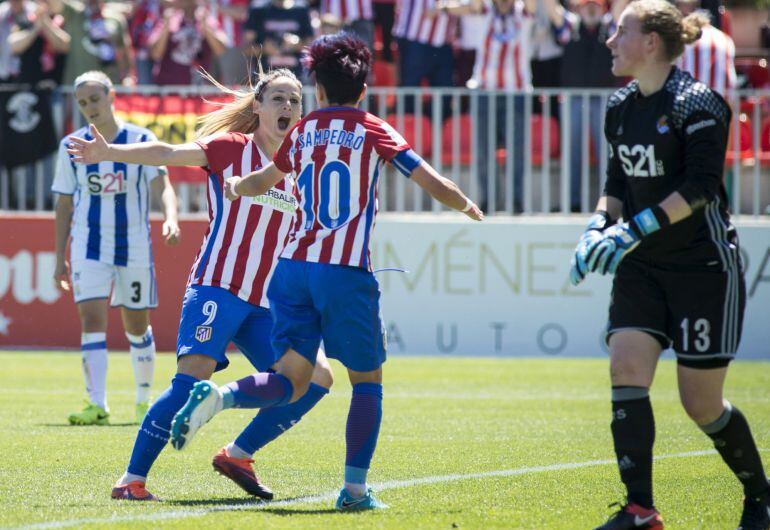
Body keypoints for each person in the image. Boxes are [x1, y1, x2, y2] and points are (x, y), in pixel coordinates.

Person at [166, 33, 483, 511]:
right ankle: (354, 492)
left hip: (292, 271)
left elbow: (263, 180)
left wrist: (235, 189)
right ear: (363, 89)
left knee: (294, 376)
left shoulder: (304, 129)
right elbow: (426, 178)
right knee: (367, 382)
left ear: (316, 89)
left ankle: (221, 398)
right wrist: (465, 204)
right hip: (345, 272)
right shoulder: (373, 128)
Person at [66, 67, 334, 502]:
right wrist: (109, 151)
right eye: (278, 99)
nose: (288, 107)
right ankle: (131, 480)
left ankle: (238, 454)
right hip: (218, 287)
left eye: (295, 100)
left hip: (265, 303)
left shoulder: (303, 167)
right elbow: (168, 152)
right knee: (191, 381)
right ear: (258, 107)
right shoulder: (230, 149)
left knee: (316, 377)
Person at [568, 1, 770, 528]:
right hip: (642, 268)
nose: (609, 41)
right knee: (624, 368)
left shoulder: (698, 104)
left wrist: (634, 228)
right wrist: (597, 225)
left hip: (702, 267)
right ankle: (640, 510)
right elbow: (616, 183)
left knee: (701, 405)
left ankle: (760, 495)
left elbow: (701, 188)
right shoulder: (620, 106)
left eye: (620, 32)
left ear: (651, 42)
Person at [53, 70, 180, 427]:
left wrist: (171, 217)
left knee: (137, 326)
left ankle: (143, 402)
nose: (89, 107)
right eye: (82, 103)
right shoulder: (71, 146)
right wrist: (58, 256)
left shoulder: (140, 139)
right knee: (91, 319)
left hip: (134, 245)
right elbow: (63, 204)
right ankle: (97, 404)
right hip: (88, 246)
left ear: (111, 97)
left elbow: (163, 185)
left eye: (94, 99)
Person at [48, 0, 135, 85]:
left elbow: (124, 50)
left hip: (108, 85)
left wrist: (128, 76)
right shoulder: (75, 13)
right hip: (78, 86)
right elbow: (56, 4)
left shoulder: (116, 18)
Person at [147, 0, 229, 86]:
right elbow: (155, 54)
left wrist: (205, 27)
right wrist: (166, 26)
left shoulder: (207, 20)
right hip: (169, 88)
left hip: (197, 88)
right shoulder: (170, 20)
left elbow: (220, 50)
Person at [674, 0, 736, 95]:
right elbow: (731, 85)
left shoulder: (679, 38)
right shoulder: (725, 39)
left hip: (688, 102)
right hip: (719, 103)